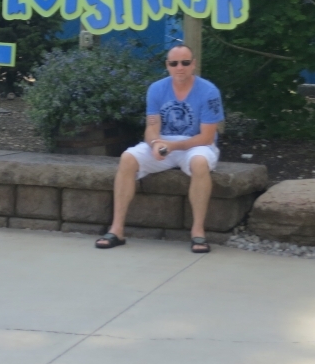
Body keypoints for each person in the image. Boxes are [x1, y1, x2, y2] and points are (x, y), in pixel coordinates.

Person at [96, 44, 224, 253]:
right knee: (127, 158)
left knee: (200, 164)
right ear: (167, 66)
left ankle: (198, 232)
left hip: (197, 145)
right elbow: (152, 128)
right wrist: (155, 143)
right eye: (174, 63)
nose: (179, 67)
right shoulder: (156, 89)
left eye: (185, 62)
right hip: (164, 143)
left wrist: (173, 145)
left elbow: (207, 136)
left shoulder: (209, 91)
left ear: (193, 64)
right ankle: (116, 229)